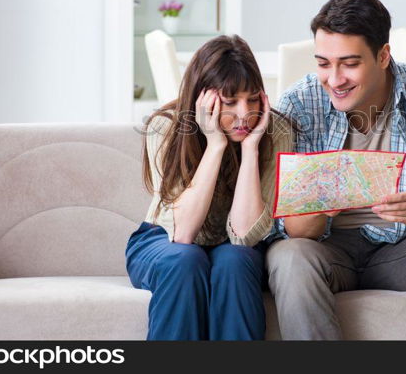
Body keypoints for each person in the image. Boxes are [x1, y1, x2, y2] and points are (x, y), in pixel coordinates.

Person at [266, 0, 406, 340]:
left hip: (403, 249)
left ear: (383, 56)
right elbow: (297, 230)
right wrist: (326, 197)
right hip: (329, 249)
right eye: (324, 63)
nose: (334, 79)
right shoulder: (299, 102)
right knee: (290, 256)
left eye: (349, 63)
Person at [126, 35, 293, 340]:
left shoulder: (276, 132)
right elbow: (183, 235)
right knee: (185, 261)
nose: (244, 113)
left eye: (253, 99)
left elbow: (243, 236)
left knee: (234, 261)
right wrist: (215, 143)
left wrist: (252, 148)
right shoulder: (165, 127)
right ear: (202, 100)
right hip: (163, 242)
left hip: (234, 248)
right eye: (229, 102)